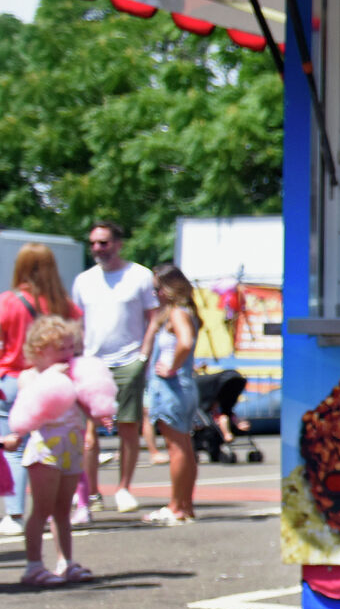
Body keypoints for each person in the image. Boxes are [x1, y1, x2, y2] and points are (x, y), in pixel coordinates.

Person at [12, 316, 107, 585]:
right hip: (45, 450)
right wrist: (52, 378)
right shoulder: (29, 376)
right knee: (41, 510)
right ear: (40, 350)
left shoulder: (74, 375)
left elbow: (88, 407)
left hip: (71, 447)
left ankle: (66, 562)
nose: (68, 354)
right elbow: (30, 410)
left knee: (63, 510)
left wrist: (99, 411)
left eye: (70, 348)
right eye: (61, 348)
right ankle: (33, 566)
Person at [71, 221, 158, 514]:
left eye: (104, 243)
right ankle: (91, 491)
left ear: (118, 244)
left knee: (128, 426)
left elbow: (154, 317)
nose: (98, 249)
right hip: (92, 363)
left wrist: (143, 356)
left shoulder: (139, 276)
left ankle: (124, 488)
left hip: (128, 361)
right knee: (88, 431)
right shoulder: (84, 280)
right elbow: (77, 322)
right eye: (94, 243)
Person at [0, 244, 81, 537]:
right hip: (60, 381)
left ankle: (16, 513)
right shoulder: (64, 303)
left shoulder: (8, 302)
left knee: (16, 448)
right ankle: (61, 506)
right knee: (61, 443)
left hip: (15, 377)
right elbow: (79, 340)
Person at [140, 265, 202, 525]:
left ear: (169, 288)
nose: (155, 294)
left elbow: (185, 342)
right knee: (185, 448)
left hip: (172, 387)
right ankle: (185, 506)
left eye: (157, 289)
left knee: (177, 449)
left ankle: (176, 506)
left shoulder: (177, 313)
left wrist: (171, 366)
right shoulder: (185, 312)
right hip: (185, 386)